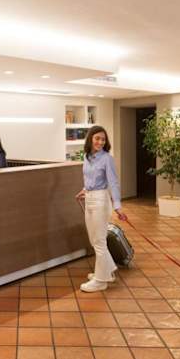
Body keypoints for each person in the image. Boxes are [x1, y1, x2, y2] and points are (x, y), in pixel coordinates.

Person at [75, 125, 128, 292]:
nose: (100, 142)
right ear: (90, 138)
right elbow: (89, 179)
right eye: (97, 138)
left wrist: (118, 206)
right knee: (94, 240)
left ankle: (100, 281)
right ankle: (107, 271)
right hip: (90, 198)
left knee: (99, 241)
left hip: (101, 200)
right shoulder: (86, 156)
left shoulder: (107, 159)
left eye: (103, 139)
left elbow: (113, 183)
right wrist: (84, 190)